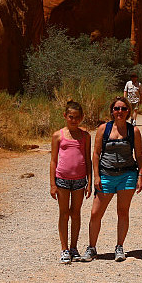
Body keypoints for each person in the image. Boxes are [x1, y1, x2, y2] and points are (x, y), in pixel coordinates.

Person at [82, 97, 142, 262]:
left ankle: (119, 247)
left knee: (122, 212)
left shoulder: (134, 131)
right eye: (117, 108)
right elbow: (96, 154)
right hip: (106, 175)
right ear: (112, 111)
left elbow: (139, 155)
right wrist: (96, 176)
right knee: (96, 213)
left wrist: (140, 175)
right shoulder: (104, 129)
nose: (120, 112)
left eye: (124, 109)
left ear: (128, 111)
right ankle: (91, 247)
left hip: (127, 175)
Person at [50, 100, 92, 264]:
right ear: (65, 116)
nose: (73, 120)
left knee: (76, 213)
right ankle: (64, 249)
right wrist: (52, 184)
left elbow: (88, 159)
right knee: (64, 213)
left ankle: (74, 248)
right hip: (62, 180)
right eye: (70, 117)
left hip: (80, 180)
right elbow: (53, 161)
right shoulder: (58, 135)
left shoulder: (85, 136)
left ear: (81, 118)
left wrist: (89, 181)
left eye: (76, 117)